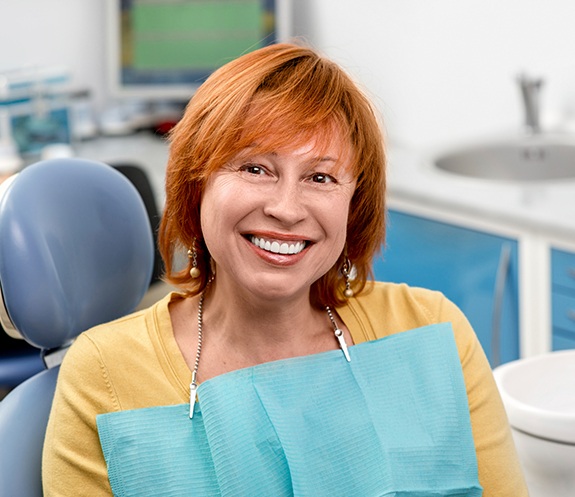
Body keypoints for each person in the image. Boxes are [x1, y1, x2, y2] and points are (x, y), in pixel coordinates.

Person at [42, 43, 528, 496]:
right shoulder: (103, 375)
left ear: (353, 205)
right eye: (255, 168)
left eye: (321, 177)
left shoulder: (432, 331)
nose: (288, 208)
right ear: (197, 185)